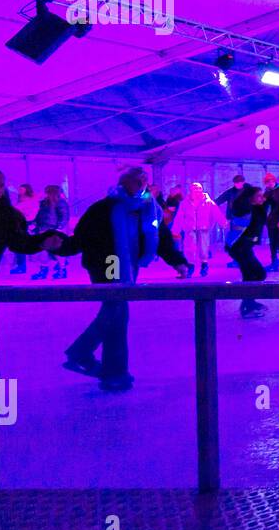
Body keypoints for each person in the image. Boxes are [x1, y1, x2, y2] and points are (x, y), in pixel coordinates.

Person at [59, 167, 188, 391]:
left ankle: (106, 369)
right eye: (135, 181)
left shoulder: (150, 209)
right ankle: (102, 365)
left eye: (143, 181)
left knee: (116, 314)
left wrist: (176, 259)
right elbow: (82, 237)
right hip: (106, 264)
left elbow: (161, 236)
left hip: (129, 267)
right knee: (116, 312)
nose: (140, 184)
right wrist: (59, 246)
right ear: (124, 182)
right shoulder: (104, 208)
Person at [227, 184, 270, 318]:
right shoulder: (245, 210)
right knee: (256, 274)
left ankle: (248, 303)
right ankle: (247, 306)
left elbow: (263, 218)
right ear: (250, 197)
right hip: (239, 248)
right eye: (258, 196)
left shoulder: (257, 208)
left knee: (254, 275)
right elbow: (237, 227)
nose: (261, 198)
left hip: (245, 247)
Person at [176, 182, 226, 277]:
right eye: (194, 189)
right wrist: (176, 229)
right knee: (190, 247)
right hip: (190, 228)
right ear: (190, 191)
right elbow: (180, 216)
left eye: (198, 189)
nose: (196, 191)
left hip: (204, 228)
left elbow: (216, 212)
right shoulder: (185, 203)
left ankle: (204, 264)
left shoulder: (208, 202)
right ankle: (190, 266)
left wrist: (223, 222)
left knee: (204, 247)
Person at [32, 185, 71, 280]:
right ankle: (43, 270)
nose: (45, 193)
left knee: (56, 251)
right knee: (41, 251)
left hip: (53, 229)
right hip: (42, 229)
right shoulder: (44, 203)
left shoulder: (60, 203)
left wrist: (59, 227)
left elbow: (64, 216)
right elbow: (40, 215)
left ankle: (62, 270)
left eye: (47, 191)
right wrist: (34, 225)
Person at [9, 183, 41, 275]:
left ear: (27, 190)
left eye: (22, 189)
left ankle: (23, 266)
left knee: (23, 244)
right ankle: (20, 265)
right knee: (19, 244)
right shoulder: (21, 199)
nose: (20, 191)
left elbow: (21, 210)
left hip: (28, 223)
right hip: (22, 223)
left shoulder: (30, 200)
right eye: (19, 189)